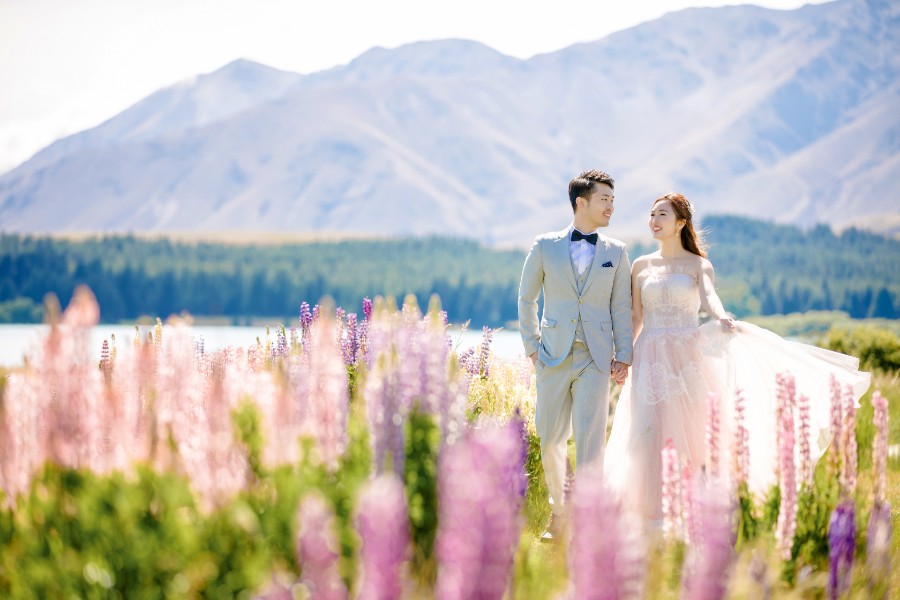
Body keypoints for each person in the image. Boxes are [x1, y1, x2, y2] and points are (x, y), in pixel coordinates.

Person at [604, 192, 870, 525]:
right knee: (645, 432)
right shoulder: (642, 265)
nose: (654, 221)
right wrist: (623, 357)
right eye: (652, 214)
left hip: (687, 357)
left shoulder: (698, 264)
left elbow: (710, 298)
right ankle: (647, 515)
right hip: (649, 358)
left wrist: (721, 317)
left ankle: (699, 511)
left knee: (696, 433)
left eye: (662, 215)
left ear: (681, 223)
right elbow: (636, 318)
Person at [518, 169, 633, 541]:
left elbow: (621, 306)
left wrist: (624, 355)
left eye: (613, 201)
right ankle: (558, 509)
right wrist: (532, 347)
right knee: (550, 438)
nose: (611, 207)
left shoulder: (616, 252)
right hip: (551, 354)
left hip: (596, 359)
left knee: (590, 439)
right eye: (605, 200)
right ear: (581, 203)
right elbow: (527, 298)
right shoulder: (544, 245)